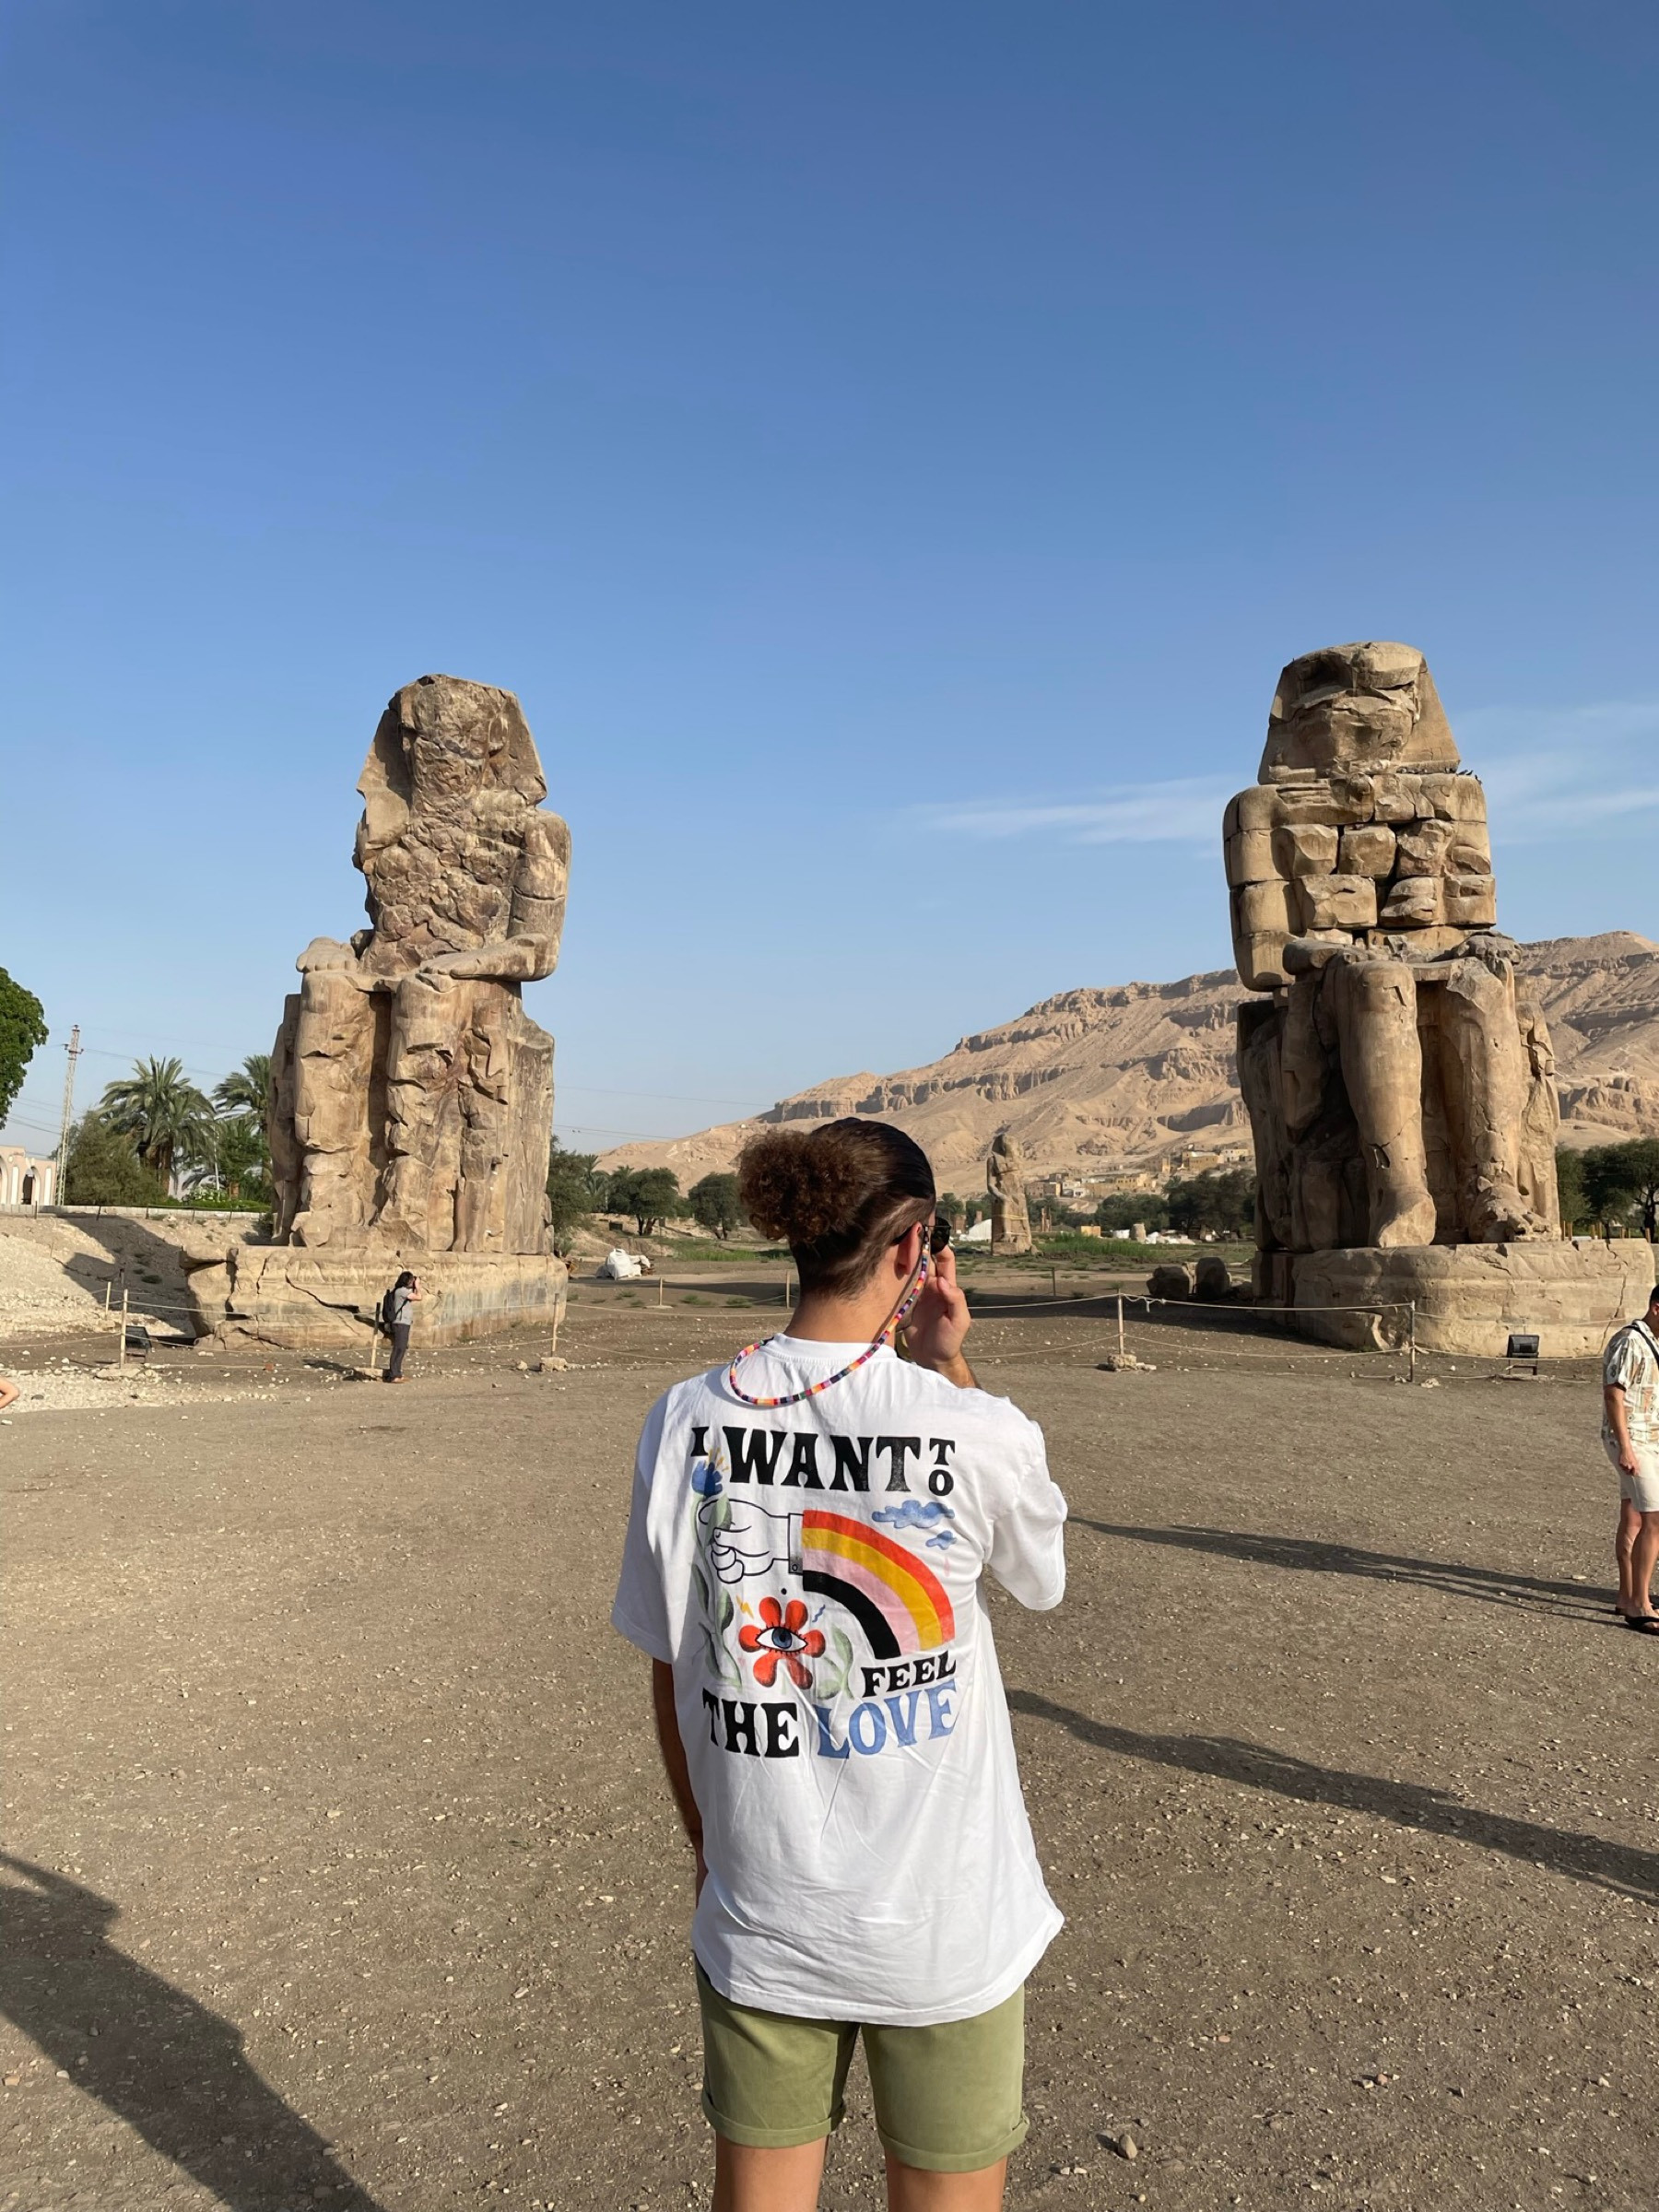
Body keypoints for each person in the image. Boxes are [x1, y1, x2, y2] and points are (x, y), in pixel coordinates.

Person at [612, 1120, 1068, 2212]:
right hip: (946, 1919)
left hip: (764, 1900)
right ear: (916, 1249)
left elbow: (673, 1665)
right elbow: (1041, 1578)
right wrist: (947, 1363)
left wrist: (708, 1844)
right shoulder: (975, 1428)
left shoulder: (686, 1417)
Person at [1606, 1281, 1659, 1630]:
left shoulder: (1652, 1342)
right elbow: (1613, 1393)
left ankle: (1626, 1595)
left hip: (1647, 1438)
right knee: (1655, 1519)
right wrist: (1625, 1446)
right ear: (1657, 1308)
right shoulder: (1630, 1341)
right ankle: (1641, 1604)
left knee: (1634, 1516)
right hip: (1633, 1439)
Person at [382, 1270, 420, 1382]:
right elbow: (419, 1297)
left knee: (401, 1348)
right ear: (407, 1281)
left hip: (403, 1323)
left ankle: (397, 1374)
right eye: (412, 1280)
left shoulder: (402, 1291)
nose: (413, 1282)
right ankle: (394, 1375)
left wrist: (414, 1287)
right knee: (399, 1348)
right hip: (400, 1323)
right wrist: (418, 1286)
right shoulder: (401, 1291)